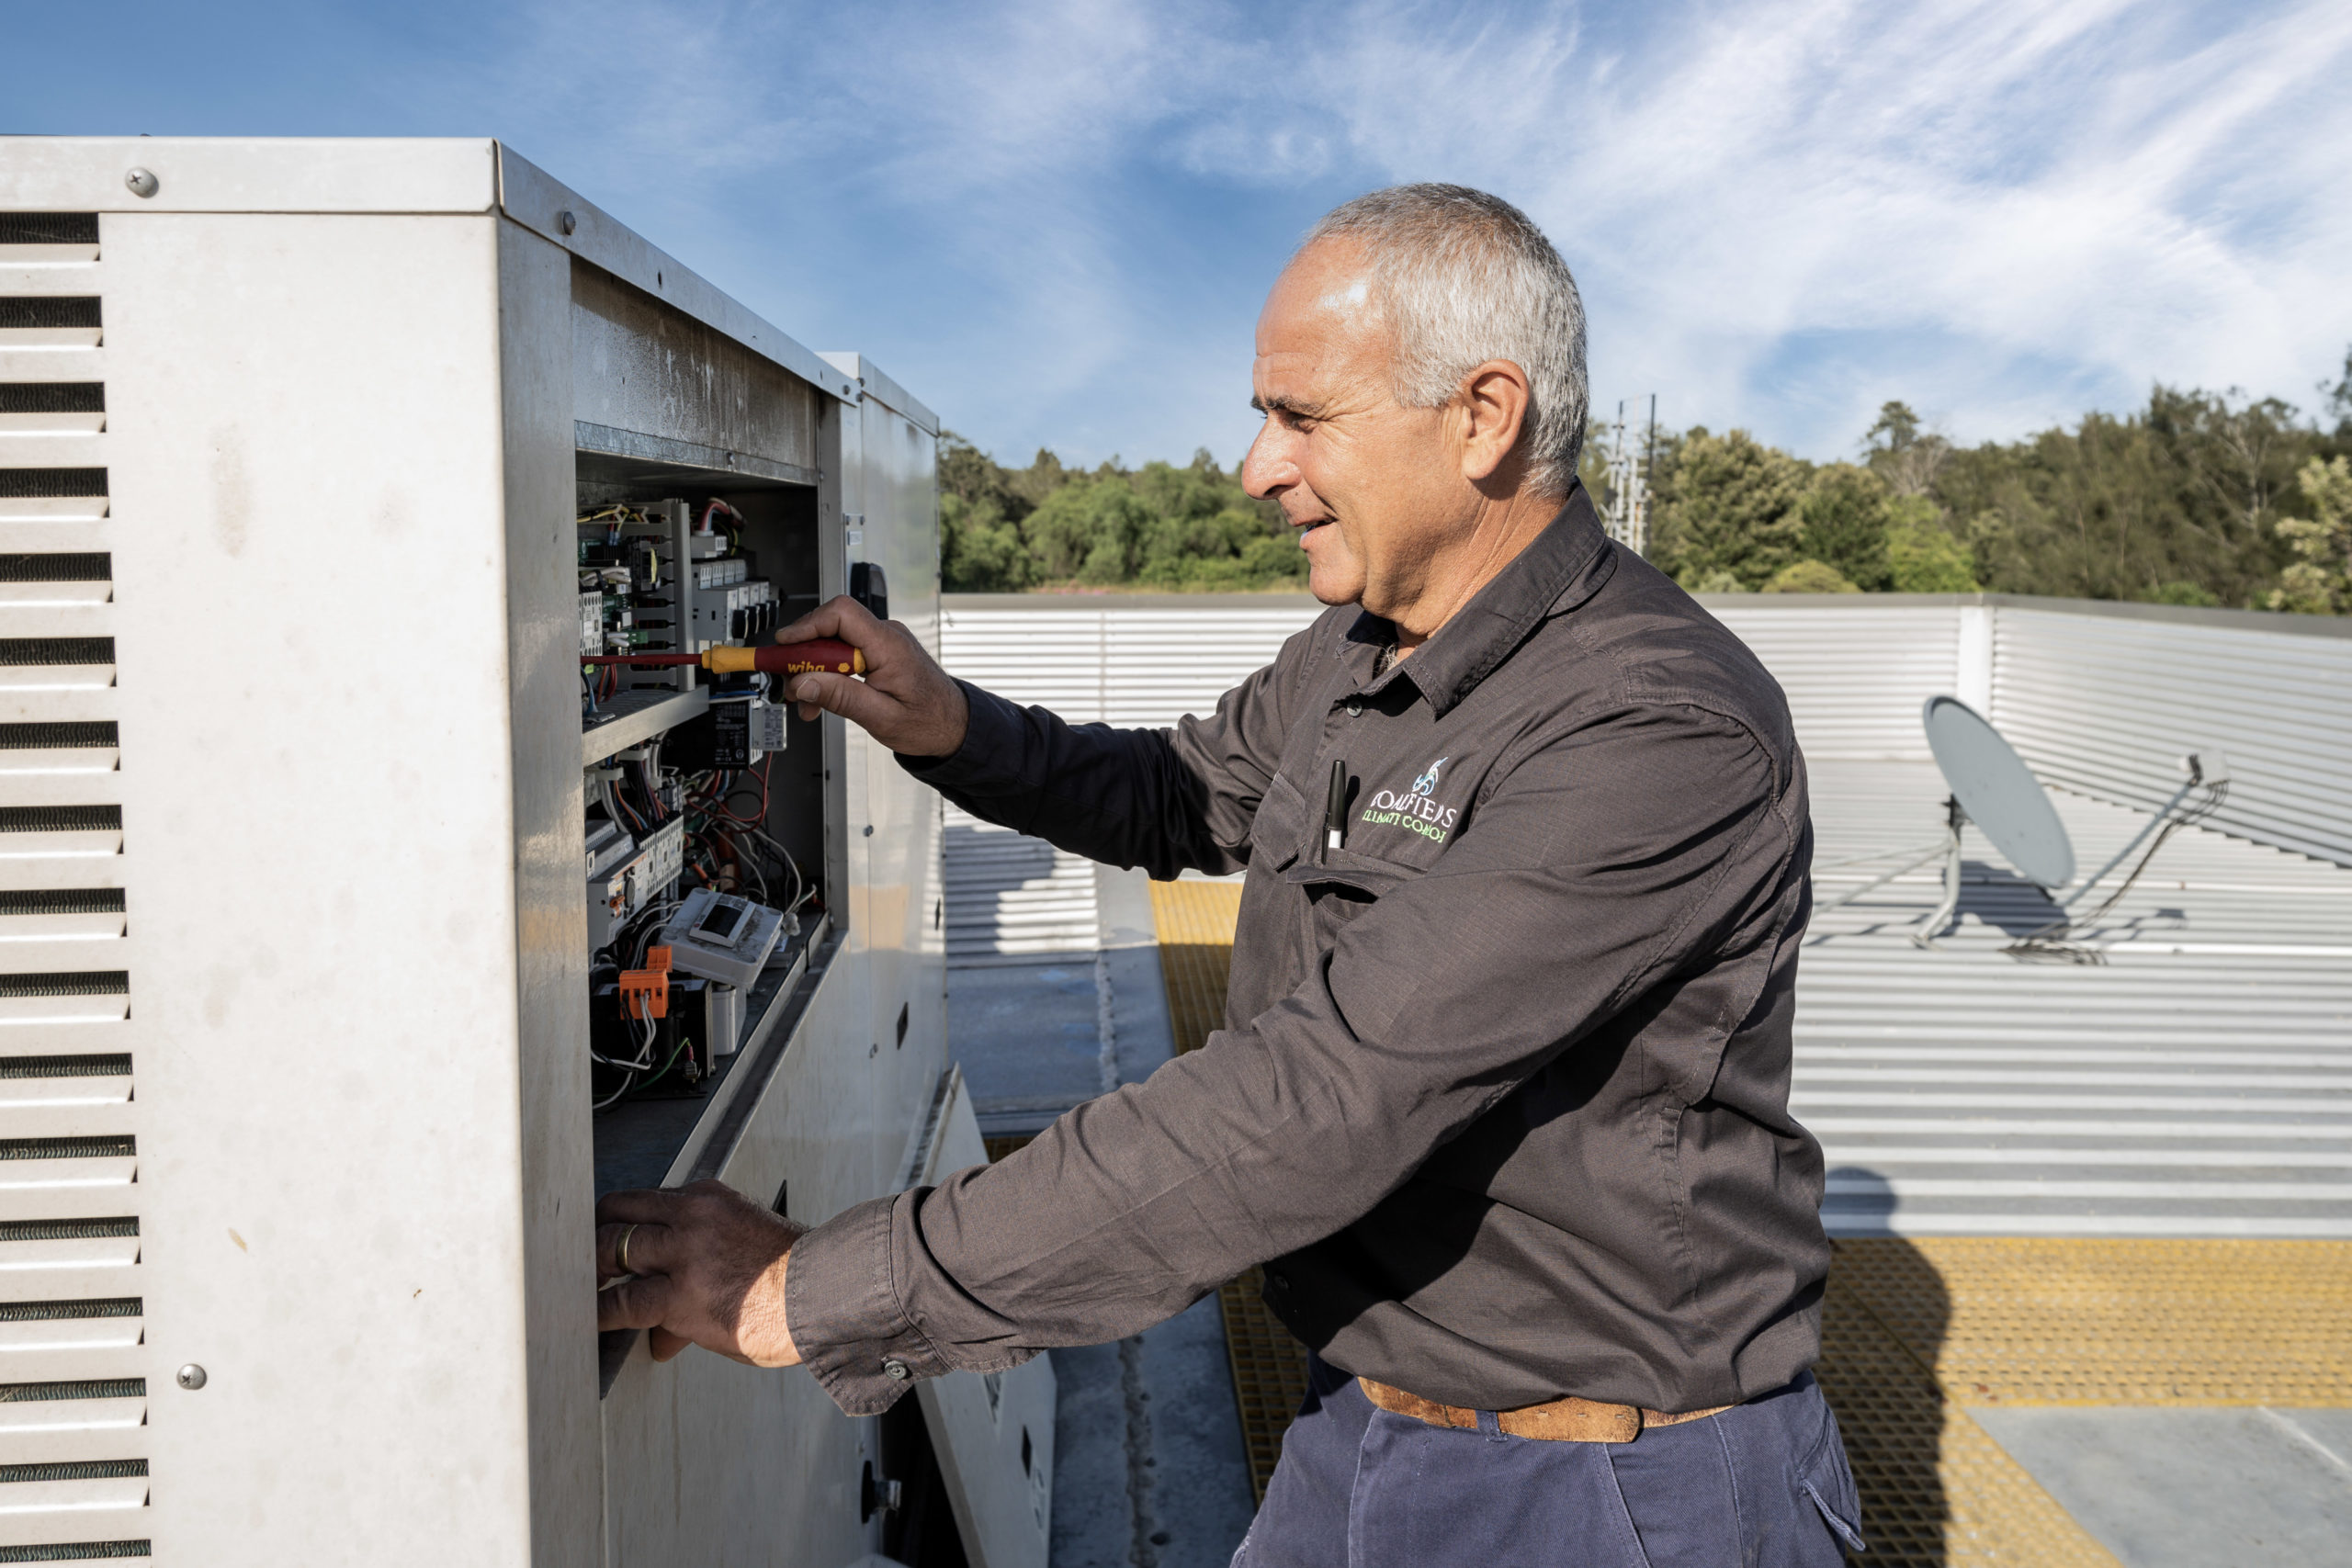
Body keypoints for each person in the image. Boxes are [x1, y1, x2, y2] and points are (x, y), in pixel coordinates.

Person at [595, 184, 1863, 1566]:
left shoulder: (1654, 726)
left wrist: (813, 1289)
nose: (1256, 467)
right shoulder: (1367, 645)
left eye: (1302, 417)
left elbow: (1315, 1103)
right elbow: (1179, 793)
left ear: (1484, 416)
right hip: (1358, 1428)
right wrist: (946, 722)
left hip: (1602, 1489)